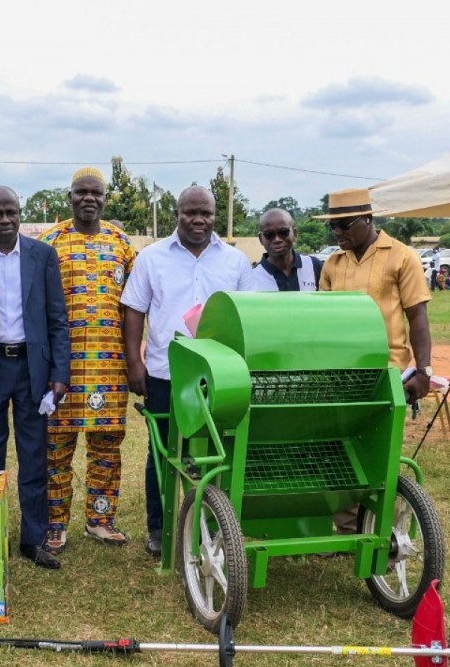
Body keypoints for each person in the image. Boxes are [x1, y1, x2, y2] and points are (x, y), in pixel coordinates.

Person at [122, 185, 254, 557]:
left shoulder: (235, 262)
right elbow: (134, 310)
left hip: (223, 376)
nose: (198, 220)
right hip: (167, 373)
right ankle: (159, 528)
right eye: (190, 213)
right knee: (163, 451)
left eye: (206, 213)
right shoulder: (151, 258)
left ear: (215, 215)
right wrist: (135, 362)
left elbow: (247, 314)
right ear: (176, 214)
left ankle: (215, 524)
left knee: (220, 451)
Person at [0, 187, 70, 569]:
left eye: (10, 212)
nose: (4, 220)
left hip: (32, 370)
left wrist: (59, 373)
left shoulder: (42, 256)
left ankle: (34, 540)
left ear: (20, 213)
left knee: (35, 457)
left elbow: (57, 318)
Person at [40, 167, 138, 551]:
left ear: (105, 198)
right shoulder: (51, 241)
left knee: (106, 449)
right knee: (56, 450)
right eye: (81, 192)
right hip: (62, 366)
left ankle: (100, 519)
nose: (88, 198)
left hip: (111, 365)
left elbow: (136, 305)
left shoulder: (122, 243)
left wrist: (135, 359)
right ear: (70, 197)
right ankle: (54, 524)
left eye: (95, 192)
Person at [318, 190, 434, 401]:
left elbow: (417, 316)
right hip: (340, 371)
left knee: (381, 431)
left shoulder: (402, 257)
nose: (337, 232)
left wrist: (423, 371)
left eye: (344, 225)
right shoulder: (332, 264)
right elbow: (323, 322)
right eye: (332, 226)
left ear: (368, 219)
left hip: (387, 369)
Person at [248, 207, 319, 292]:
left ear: (295, 234)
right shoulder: (252, 277)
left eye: (283, 232)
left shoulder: (313, 266)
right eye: (269, 235)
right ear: (261, 239)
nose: (277, 239)